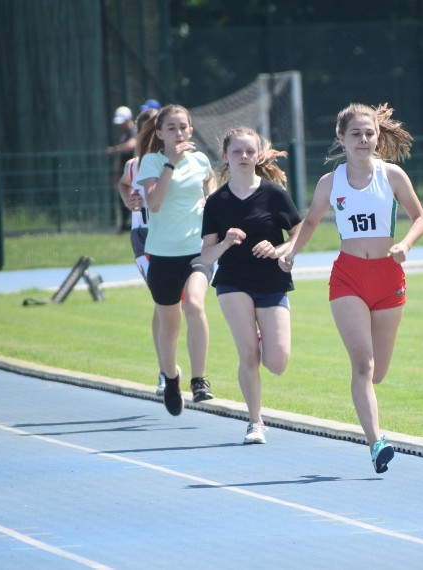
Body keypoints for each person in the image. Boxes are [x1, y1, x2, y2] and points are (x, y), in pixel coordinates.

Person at [279, 103, 423, 473]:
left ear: (377, 137)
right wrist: (291, 252)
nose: (363, 140)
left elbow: (420, 217)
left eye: (369, 133)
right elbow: (311, 220)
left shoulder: (392, 176)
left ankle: (371, 415)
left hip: (388, 276)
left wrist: (405, 245)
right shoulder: (331, 182)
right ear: (341, 138)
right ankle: (376, 442)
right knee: (362, 363)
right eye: (356, 134)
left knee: (377, 372)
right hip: (347, 277)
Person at [195, 127, 302, 444]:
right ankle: (255, 422)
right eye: (237, 151)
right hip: (232, 282)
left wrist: (280, 250)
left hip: (271, 280)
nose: (243, 156)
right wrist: (226, 242)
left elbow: (299, 234)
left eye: (249, 151)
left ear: (258, 155)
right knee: (249, 356)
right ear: (225, 156)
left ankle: (262, 336)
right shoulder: (217, 202)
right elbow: (206, 255)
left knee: (277, 362)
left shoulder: (274, 194)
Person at [136, 104, 217, 416]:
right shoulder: (152, 162)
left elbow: (211, 189)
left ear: (191, 130)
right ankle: (172, 379)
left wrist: (211, 198)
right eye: (171, 128)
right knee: (169, 326)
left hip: (197, 252)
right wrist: (171, 164)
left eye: (183, 127)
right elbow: (153, 204)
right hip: (162, 254)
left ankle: (199, 380)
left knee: (195, 305)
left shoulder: (201, 161)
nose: (179, 133)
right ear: (160, 133)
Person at [117, 108, 169, 396]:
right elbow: (125, 186)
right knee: (162, 301)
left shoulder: (178, 162)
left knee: (178, 305)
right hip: (145, 237)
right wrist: (129, 200)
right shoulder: (134, 165)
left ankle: (169, 365)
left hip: (178, 238)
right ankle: (165, 370)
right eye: (149, 129)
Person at [107, 106, 138, 232]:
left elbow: (132, 145)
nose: (120, 125)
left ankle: (132, 224)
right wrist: (116, 174)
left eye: (122, 122)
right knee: (123, 198)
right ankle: (125, 225)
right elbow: (121, 159)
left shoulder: (133, 131)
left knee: (135, 197)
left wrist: (114, 149)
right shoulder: (123, 135)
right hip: (125, 172)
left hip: (134, 171)